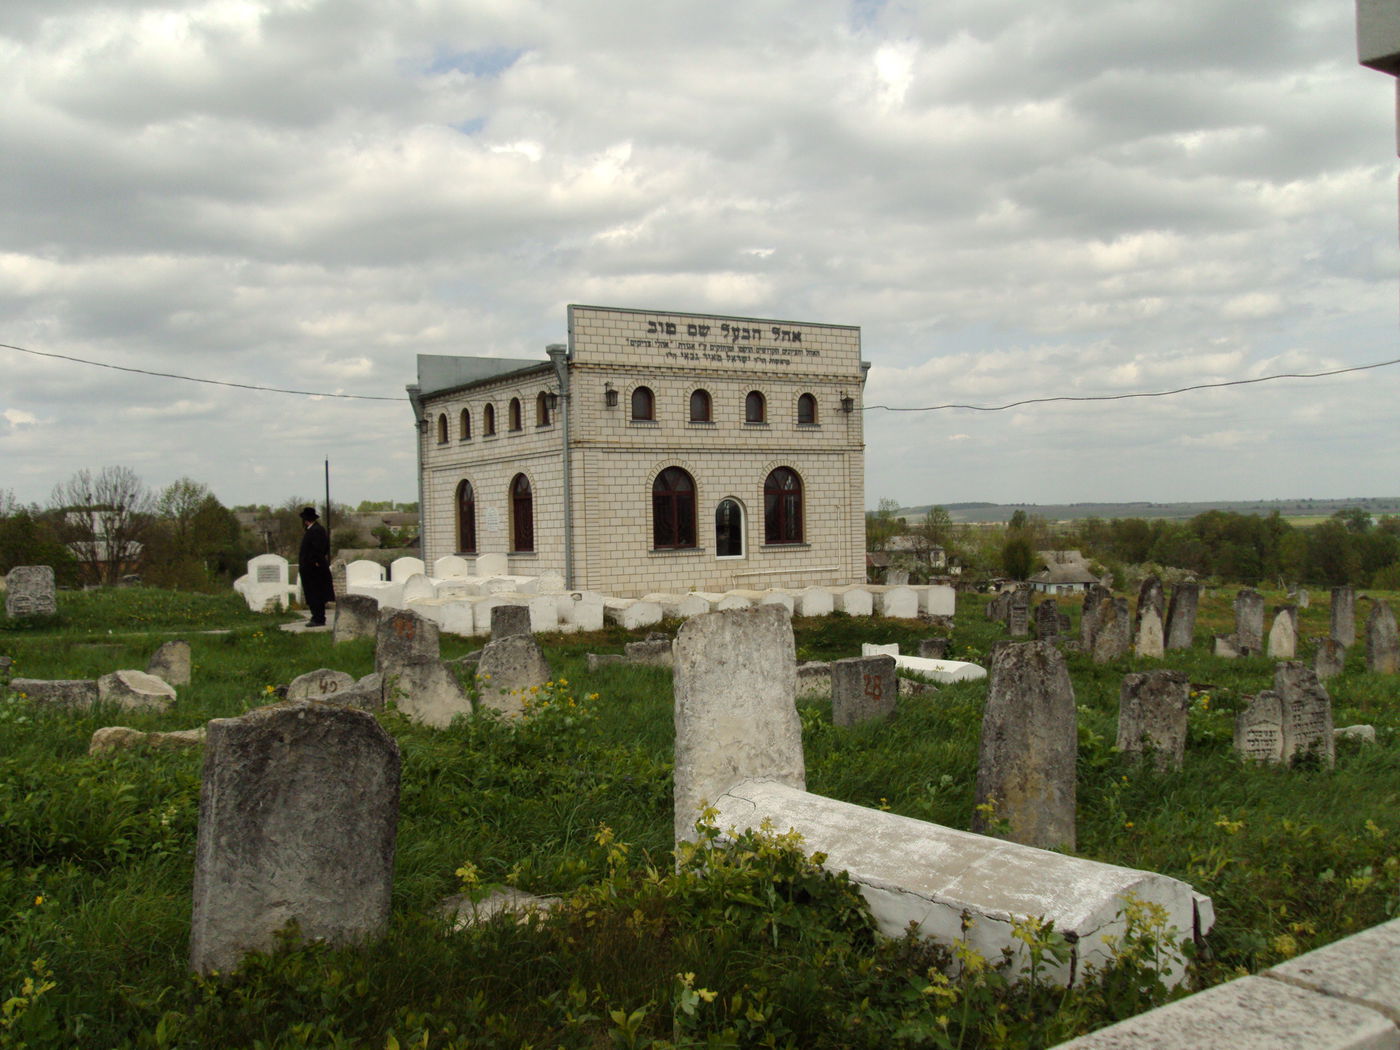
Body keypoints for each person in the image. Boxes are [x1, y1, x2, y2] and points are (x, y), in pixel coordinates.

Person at [298, 506, 335, 627]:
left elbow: (319, 549)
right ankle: (316, 616)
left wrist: (315, 561)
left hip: (314, 570)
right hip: (311, 569)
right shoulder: (313, 530)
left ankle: (318, 618)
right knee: (313, 593)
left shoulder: (316, 530)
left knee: (316, 594)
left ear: (306, 520)